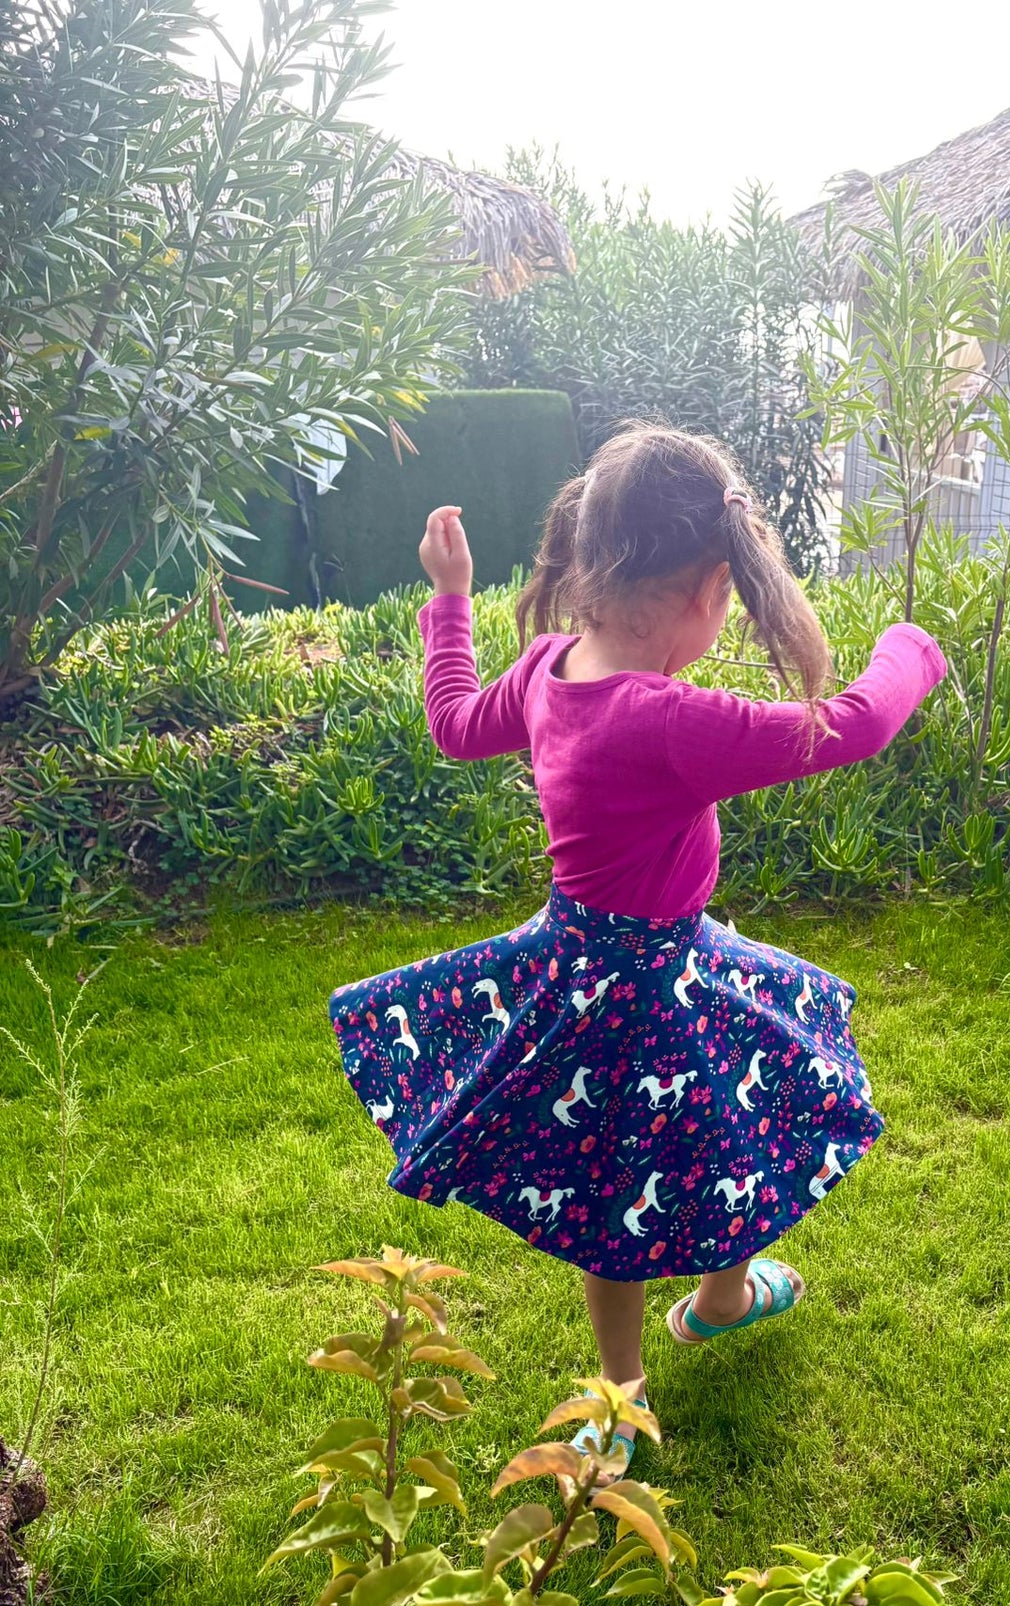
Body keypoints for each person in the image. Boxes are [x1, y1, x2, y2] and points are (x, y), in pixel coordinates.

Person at [329, 425, 945, 1470]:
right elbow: (850, 725)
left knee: (657, 1152)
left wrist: (449, 597)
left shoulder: (547, 669)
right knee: (705, 1132)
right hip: (649, 985)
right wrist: (910, 650)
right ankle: (659, 1350)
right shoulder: (666, 718)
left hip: (596, 967)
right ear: (712, 586)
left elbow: (449, 720)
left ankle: (686, 1328)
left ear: (584, 557)